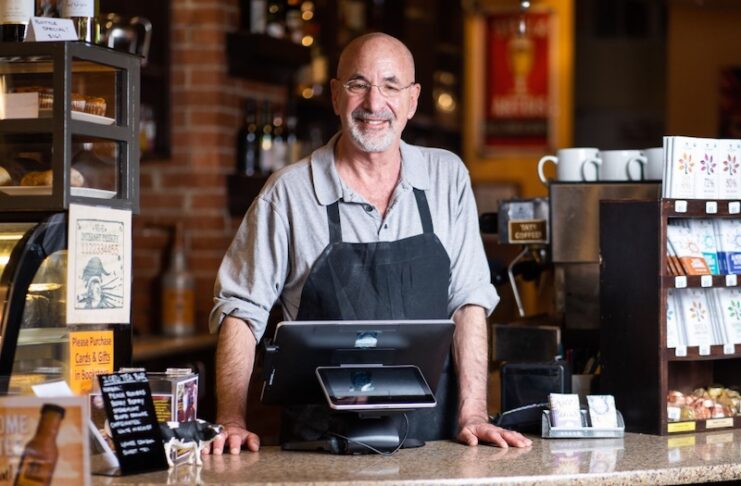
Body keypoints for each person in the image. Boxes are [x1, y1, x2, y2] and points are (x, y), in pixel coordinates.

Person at [207, 32, 532, 455]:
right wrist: (231, 420)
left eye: (391, 86)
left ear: (413, 100)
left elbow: (468, 301)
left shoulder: (447, 178)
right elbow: (240, 311)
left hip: (433, 448)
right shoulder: (288, 193)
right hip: (321, 449)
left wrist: (474, 414)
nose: (374, 104)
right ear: (336, 95)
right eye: (359, 84)